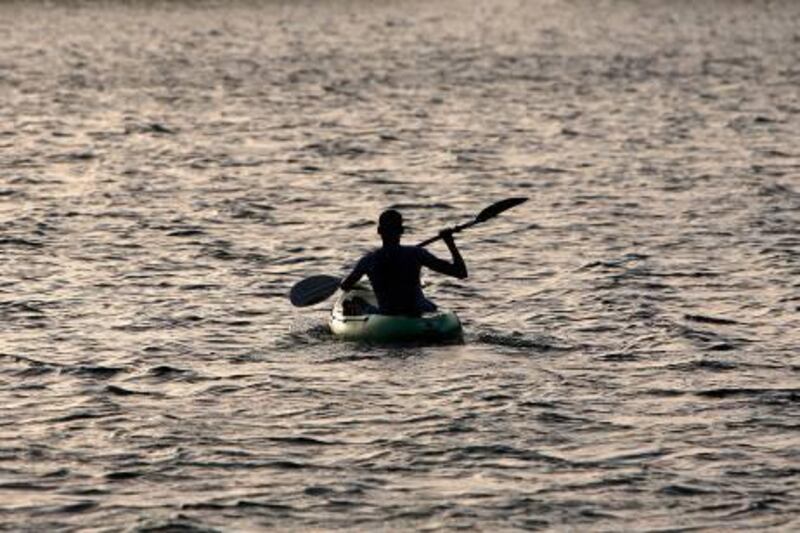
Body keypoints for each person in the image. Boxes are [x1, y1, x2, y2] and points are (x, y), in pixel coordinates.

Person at [340, 209, 467, 316]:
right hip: (418, 311)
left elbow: (345, 286)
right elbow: (461, 273)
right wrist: (449, 242)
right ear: (401, 231)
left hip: (388, 313)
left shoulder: (368, 260)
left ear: (379, 231)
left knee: (355, 300)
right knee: (428, 304)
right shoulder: (416, 253)